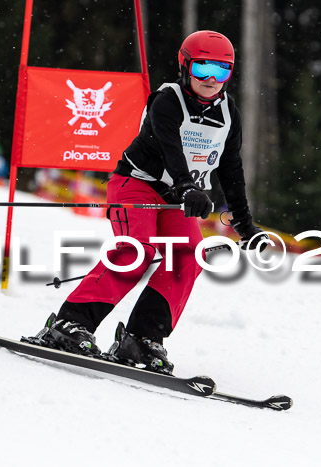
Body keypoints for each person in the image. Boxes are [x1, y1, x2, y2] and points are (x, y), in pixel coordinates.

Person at [23, 30, 267, 375]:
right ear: (185, 67)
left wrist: (245, 225)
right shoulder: (167, 100)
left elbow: (232, 171)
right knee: (137, 249)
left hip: (174, 199)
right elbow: (171, 148)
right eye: (201, 70)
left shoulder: (229, 115)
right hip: (135, 185)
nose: (211, 80)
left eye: (222, 71)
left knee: (187, 256)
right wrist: (186, 186)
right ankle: (69, 325)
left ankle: (141, 337)